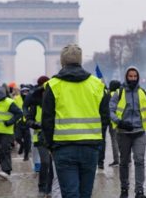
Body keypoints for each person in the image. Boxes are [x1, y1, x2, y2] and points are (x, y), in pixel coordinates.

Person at [42, 44, 109, 198]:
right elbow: (104, 117)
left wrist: (50, 145)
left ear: (62, 61)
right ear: (80, 61)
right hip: (90, 146)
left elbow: (47, 120)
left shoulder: (53, 85)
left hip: (63, 147)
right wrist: (99, 140)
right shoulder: (97, 84)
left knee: (70, 194)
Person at [109, 67, 146, 198]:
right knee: (124, 162)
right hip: (123, 133)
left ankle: (139, 191)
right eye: (130, 76)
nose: (132, 78)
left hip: (139, 133)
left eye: (135, 76)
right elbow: (110, 110)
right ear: (126, 77)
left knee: (139, 161)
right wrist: (119, 122)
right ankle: (124, 189)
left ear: (138, 77)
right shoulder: (118, 93)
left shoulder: (143, 93)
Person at [0, 86, 23, 180]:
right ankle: (3, 164)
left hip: (6, 132)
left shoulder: (9, 102)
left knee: (5, 150)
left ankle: (6, 171)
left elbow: (19, 113)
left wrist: (9, 122)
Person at [107, 80, 121, 167]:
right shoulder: (121, 94)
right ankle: (128, 159)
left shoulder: (109, 95)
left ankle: (116, 160)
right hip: (122, 120)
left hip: (113, 122)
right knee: (124, 141)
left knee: (114, 141)